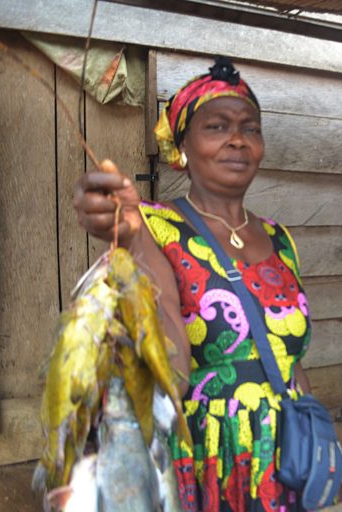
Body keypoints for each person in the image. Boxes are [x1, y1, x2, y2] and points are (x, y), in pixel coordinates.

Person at [74, 57, 314, 511]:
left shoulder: (281, 240)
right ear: (182, 146)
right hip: (208, 460)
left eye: (250, 128)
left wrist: (324, 448)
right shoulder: (156, 227)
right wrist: (126, 233)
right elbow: (174, 368)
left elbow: (292, 362)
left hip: (290, 457)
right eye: (217, 127)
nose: (238, 140)